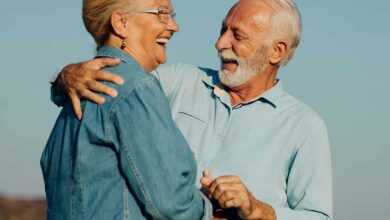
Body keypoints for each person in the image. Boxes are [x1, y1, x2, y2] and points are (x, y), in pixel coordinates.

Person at [51, 0, 333, 219]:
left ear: (277, 52)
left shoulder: (304, 126)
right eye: (223, 29)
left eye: (238, 35)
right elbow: (119, 86)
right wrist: (65, 77)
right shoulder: (175, 81)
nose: (220, 43)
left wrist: (258, 210)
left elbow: (318, 216)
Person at [40, 0, 212, 219]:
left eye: (172, 14)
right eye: (161, 13)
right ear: (120, 23)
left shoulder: (70, 103)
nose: (173, 26)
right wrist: (211, 212)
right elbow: (173, 203)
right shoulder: (137, 88)